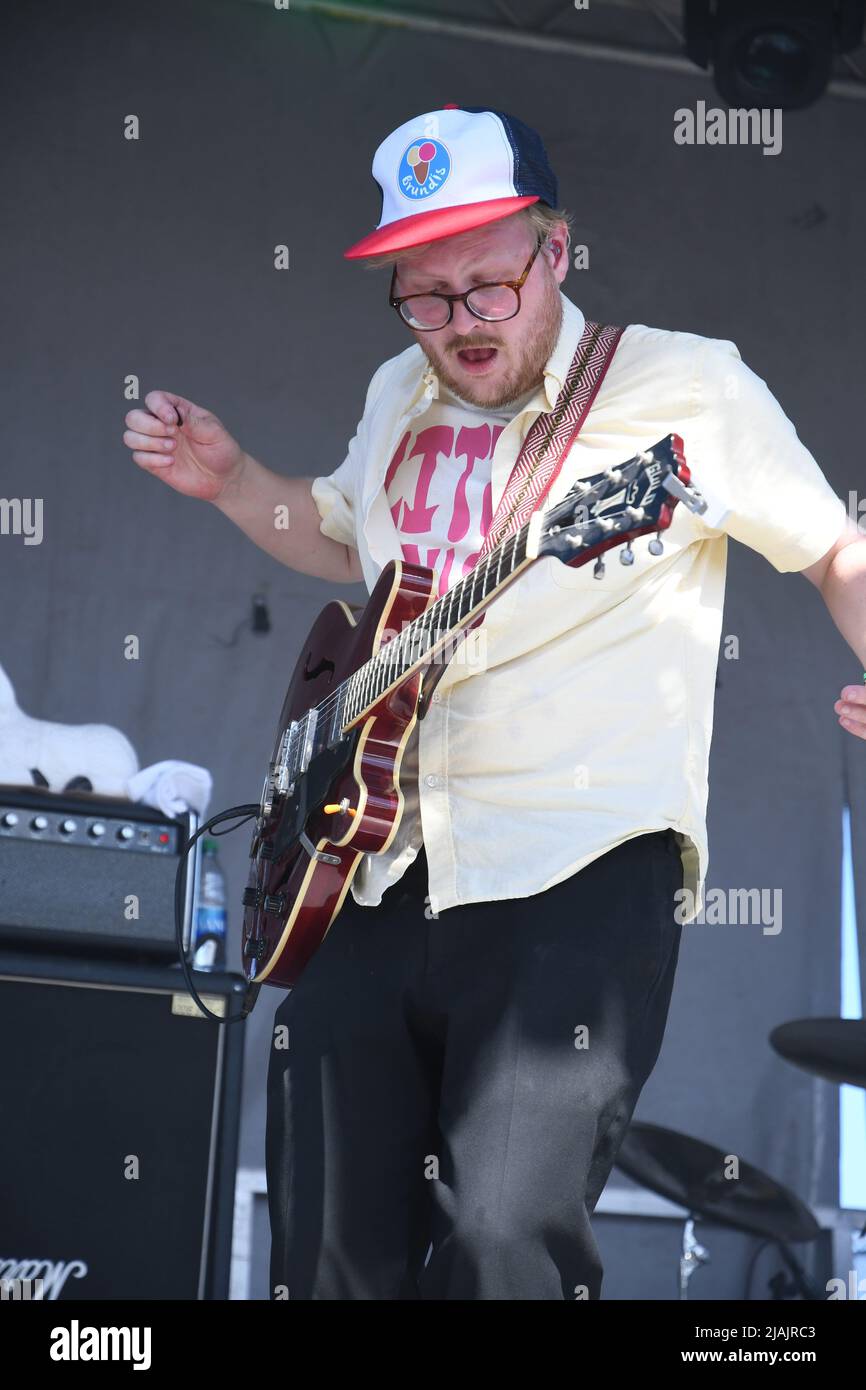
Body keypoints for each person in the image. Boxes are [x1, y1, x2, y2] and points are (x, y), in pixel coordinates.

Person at [123, 106, 866, 1301]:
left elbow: (834, 552)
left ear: (556, 252)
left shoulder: (687, 385)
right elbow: (338, 538)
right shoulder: (394, 395)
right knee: (325, 1255)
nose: (459, 325)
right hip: (363, 866)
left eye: (488, 287)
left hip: (572, 867)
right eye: (424, 297)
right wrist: (234, 485)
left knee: (504, 1246)